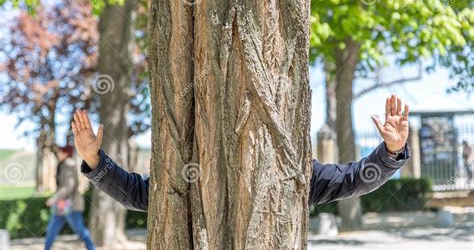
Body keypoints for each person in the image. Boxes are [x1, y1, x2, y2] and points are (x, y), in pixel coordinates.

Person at [71, 94, 410, 211]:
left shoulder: (292, 173)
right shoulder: (195, 170)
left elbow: (353, 180)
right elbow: (139, 195)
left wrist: (391, 152)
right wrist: (94, 161)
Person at [29, 145, 99, 250]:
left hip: (71, 206)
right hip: (61, 207)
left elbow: (68, 187)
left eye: (60, 151)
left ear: (66, 153)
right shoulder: (64, 164)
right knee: (51, 232)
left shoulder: (69, 164)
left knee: (81, 231)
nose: (58, 153)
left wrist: (53, 199)